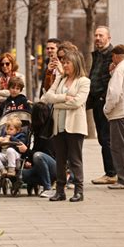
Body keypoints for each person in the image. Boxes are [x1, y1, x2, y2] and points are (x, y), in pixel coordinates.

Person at [42, 48, 90, 202]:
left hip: (74, 126)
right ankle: (60, 191)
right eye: (63, 62)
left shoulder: (84, 81)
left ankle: (79, 190)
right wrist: (63, 98)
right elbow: (47, 96)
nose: (64, 65)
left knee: (75, 159)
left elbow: (77, 102)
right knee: (60, 160)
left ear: (75, 63)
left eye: (67, 62)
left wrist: (57, 103)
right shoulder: (61, 79)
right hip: (58, 125)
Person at [103, 44, 124, 189]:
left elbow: (115, 93)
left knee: (118, 148)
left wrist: (107, 109)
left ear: (116, 56)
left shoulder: (120, 70)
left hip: (120, 114)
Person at [88, 26, 117, 185]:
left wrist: (103, 99)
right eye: (96, 35)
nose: (97, 38)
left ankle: (111, 173)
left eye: (101, 35)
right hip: (97, 102)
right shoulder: (98, 55)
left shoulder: (112, 57)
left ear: (108, 38)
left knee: (106, 138)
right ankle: (111, 171)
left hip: (104, 102)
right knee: (103, 138)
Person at [18, 102, 57, 198]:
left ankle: (48, 188)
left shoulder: (50, 132)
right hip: (38, 167)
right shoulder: (37, 130)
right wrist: (28, 161)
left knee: (38, 156)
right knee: (19, 175)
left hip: (52, 167)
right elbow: (35, 150)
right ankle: (35, 183)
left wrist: (27, 151)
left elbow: (43, 155)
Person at [0, 52, 26, 119]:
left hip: (16, 110)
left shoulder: (20, 77)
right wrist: (11, 97)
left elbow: (21, 95)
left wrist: (0, 93)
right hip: (0, 112)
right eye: (2, 64)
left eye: (7, 64)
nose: (4, 66)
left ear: (12, 64)